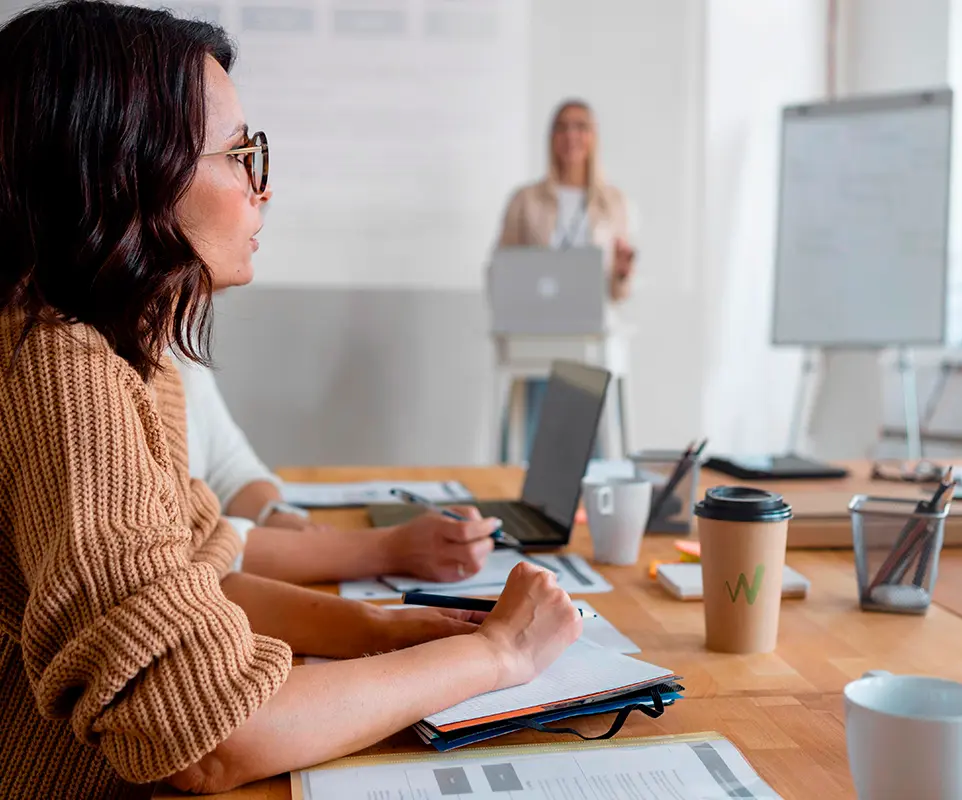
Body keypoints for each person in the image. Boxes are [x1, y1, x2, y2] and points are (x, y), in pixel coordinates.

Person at [0, 3, 581, 798]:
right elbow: (202, 738)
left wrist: (383, 630)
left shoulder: (128, 355)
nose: (261, 188)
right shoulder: (58, 364)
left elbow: (200, 574)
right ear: (129, 168)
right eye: (239, 154)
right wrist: (496, 657)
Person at [174, 353, 500, 584]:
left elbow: (229, 467)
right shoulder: (125, 368)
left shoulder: (172, 344)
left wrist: (274, 515)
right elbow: (181, 547)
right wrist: (390, 550)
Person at [495, 99, 637, 458]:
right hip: (539, 332)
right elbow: (503, 268)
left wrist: (622, 271)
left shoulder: (613, 202)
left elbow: (620, 292)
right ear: (551, 137)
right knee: (535, 435)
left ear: (593, 137)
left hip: (591, 331)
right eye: (562, 127)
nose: (570, 136)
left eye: (580, 126)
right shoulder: (525, 200)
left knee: (595, 434)